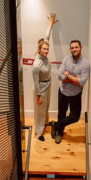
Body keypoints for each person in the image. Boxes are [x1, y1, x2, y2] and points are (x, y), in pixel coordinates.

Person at [51, 40, 90, 144]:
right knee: (61, 113)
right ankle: (60, 133)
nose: (74, 49)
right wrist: (74, 79)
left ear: (81, 48)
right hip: (63, 92)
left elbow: (81, 82)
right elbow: (59, 76)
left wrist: (67, 75)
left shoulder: (86, 64)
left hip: (75, 95)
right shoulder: (66, 60)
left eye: (76, 47)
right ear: (70, 49)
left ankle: (55, 125)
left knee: (75, 117)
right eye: (72, 48)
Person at [32, 13, 59, 141]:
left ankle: (45, 124)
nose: (46, 51)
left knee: (46, 106)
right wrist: (38, 96)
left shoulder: (45, 47)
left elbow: (47, 36)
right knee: (40, 110)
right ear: (39, 49)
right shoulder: (36, 64)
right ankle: (38, 132)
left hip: (48, 84)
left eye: (47, 49)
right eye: (44, 49)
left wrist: (50, 23)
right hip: (40, 88)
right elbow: (36, 82)